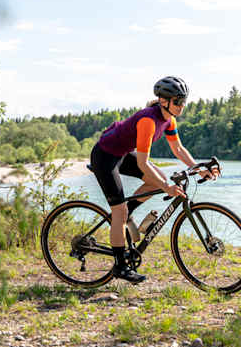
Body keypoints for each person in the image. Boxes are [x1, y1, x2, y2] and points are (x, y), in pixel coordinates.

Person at [90, 76, 219, 283]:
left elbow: (177, 148)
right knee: (121, 210)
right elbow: (143, 163)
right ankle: (120, 267)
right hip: (105, 157)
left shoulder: (169, 120)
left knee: (155, 181)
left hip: (121, 154)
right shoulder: (148, 121)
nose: (181, 106)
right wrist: (167, 187)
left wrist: (198, 168)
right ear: (163, 101)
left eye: (183, 101)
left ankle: (126, 214)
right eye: (177, 102)